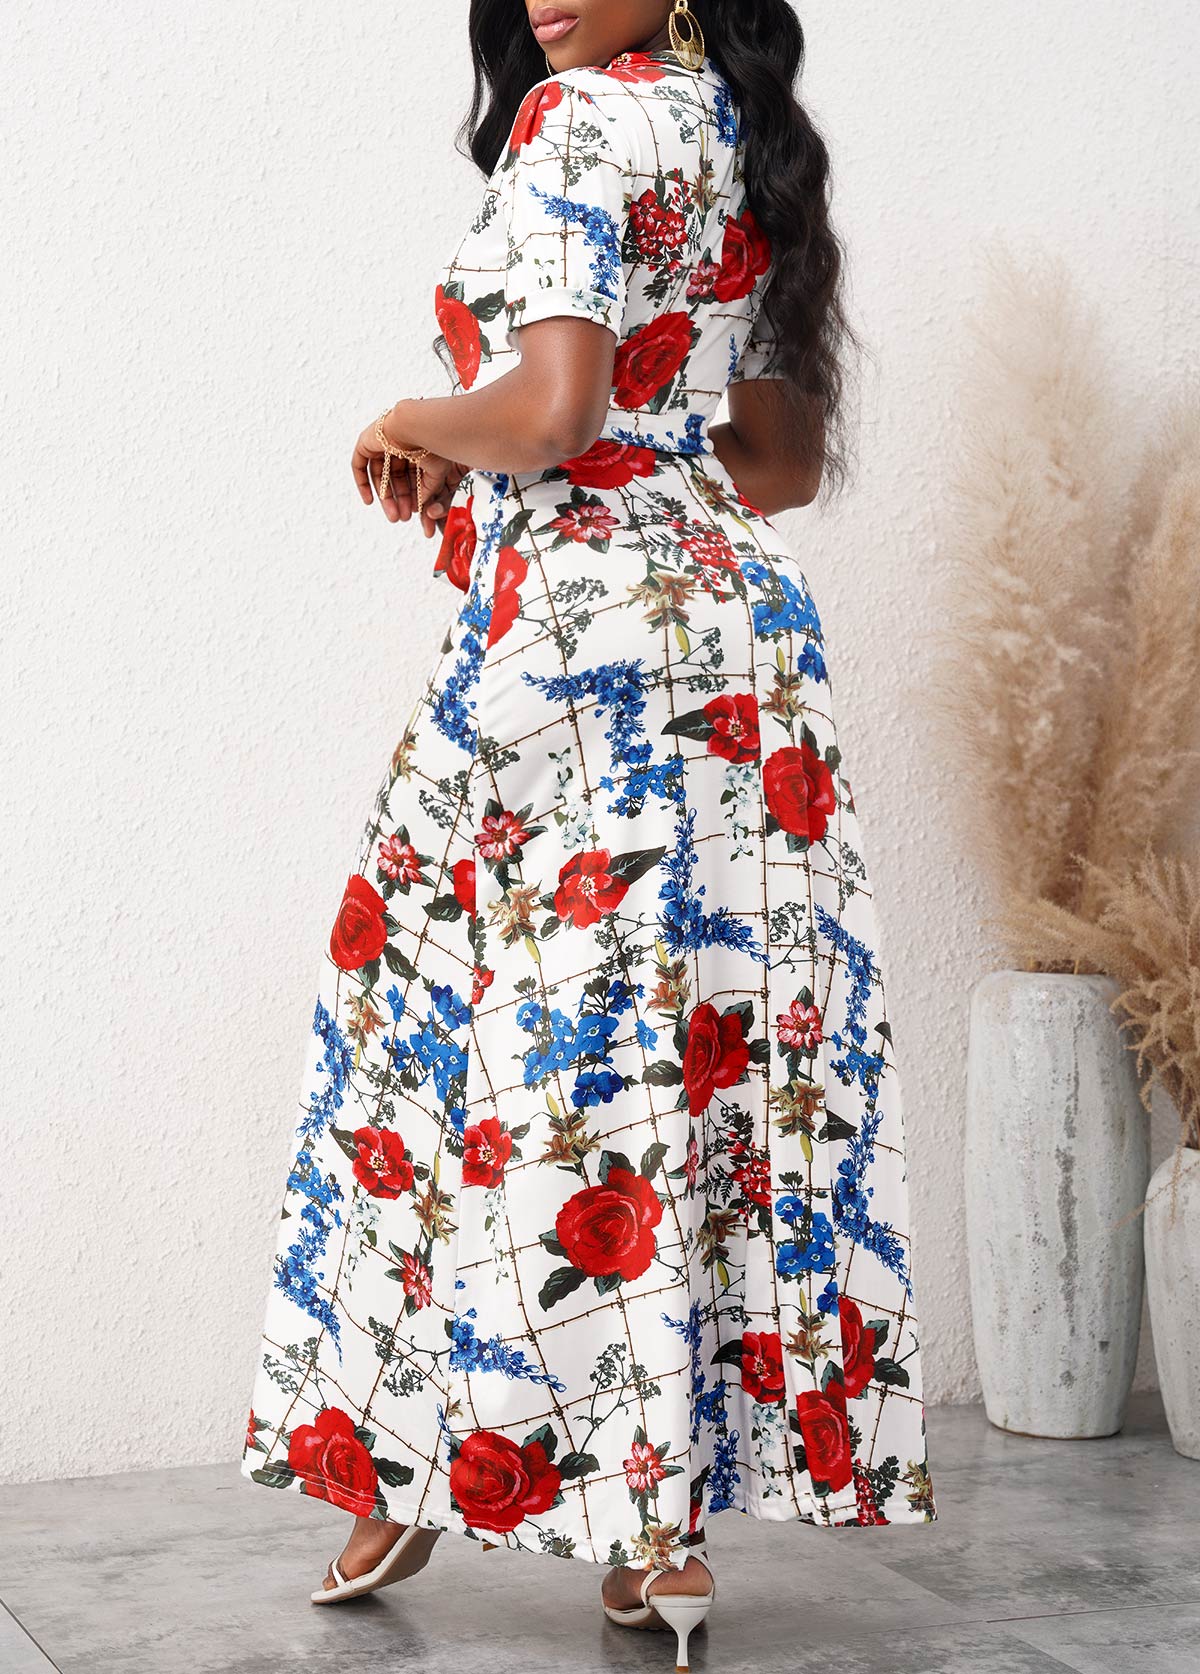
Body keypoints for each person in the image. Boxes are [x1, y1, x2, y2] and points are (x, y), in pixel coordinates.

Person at [241, 2, 937, 1667]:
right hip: (741, 645)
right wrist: (520, 456)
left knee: (448, 1028)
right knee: (686, 1063)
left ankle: (408, 1455)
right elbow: (775, 461)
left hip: (578, 644)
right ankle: (658, 1534)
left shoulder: (571, 127)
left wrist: (419, 419)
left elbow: (552, 415)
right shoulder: (753, 140)